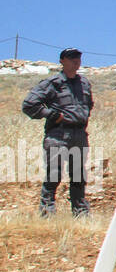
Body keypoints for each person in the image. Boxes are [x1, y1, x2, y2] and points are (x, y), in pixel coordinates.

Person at [21, 48, 93, 217]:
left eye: (78, 58)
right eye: (71, 58)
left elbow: (89, 104)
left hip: (79, 135)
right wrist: (51, 115)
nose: (76, 61)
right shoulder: (52, 83)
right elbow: (29, 105)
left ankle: (80, 213)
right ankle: (47, 212)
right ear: (62, 61)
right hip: (58, 135)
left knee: (78, 176)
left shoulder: (84, 83)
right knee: (54, 174)